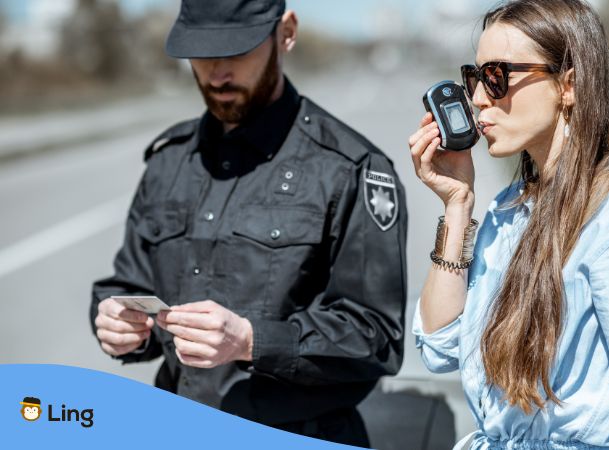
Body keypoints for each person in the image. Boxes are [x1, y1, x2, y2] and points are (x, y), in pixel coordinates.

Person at [89, 0, 407, 446]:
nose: (217, 74)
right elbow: (127, 283)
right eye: (201, 53)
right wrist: (117, 322)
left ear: (286, 34)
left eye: (237, 52)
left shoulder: (348, 168)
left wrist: (251, 340)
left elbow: (377, 338)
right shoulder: (168, 161)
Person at [408, 0, 609, 448]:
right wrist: (457, 204)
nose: (478, 98)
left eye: (497, 77)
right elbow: (439, 346)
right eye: (474, 78)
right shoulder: (510, 210)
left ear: (568, 85)